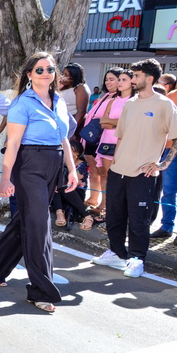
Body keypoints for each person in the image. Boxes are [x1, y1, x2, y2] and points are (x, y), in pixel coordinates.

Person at [0, 52, 78, 313]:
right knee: (39, 226)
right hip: (29, 166)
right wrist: (5, 178)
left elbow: (64, 138)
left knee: (26, 219)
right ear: (29, 74)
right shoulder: (22, 103)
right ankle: (41, 290)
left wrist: (72, 169)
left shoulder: (58, 101)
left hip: (53, 164)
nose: (46, 73)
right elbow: (12, 144)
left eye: (50, 69)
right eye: (39, 69)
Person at [92, 59, 177, 278]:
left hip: (143, 173)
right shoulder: (130, 103)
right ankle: (116, 253)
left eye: (137, 76)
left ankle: (137, 259)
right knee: (114, 215)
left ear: (150, 79)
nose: (133, 79)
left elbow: (175, 137)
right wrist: (115, 164)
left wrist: (163, 164)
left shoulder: (165, 104)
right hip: (119, 170)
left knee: (139, 219)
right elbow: (121, 136)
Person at [83, 68, 122, 212]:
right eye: (106, 79)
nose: (108, 82)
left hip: (105, 138)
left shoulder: (120, 99)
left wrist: (107, 122)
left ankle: (104, 203)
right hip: (92, 135)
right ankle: (93, 198)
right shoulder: (105, 95)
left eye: (112, 79)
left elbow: (108, 120)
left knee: (105, 173)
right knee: (93, 170)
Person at [52, 140, 92, 230]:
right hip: (62, 190)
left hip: (76, 192)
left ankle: (87, 216)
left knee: (63, 186)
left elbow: (76, 180)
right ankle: (60, 213)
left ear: (77, 153)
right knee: (56, 186)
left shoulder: (82, 164)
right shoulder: (61, 161)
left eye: (70, 149)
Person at [59, 62, 90, 134]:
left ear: (74, 76)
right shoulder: (63, 87)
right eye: (62, 74)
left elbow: (81, 112)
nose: (63, 77)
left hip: (71, 125)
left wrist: (71, 130)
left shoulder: (80, 88)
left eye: (66, 75)